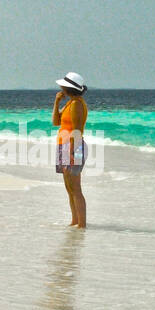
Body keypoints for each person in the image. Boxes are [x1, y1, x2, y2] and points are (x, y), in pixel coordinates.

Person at [52, 72, 88, 228]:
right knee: (69, 187)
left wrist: (73, 152)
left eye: (62, 86)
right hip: (64, 146)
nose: (60, 87)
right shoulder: (70, 103)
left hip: (74, 146)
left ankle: (82, 224)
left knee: (76, 187)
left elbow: (78, 129)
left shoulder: (77, 104)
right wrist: (57, 102)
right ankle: (75, 221)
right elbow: (55, 122)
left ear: (68, 87)